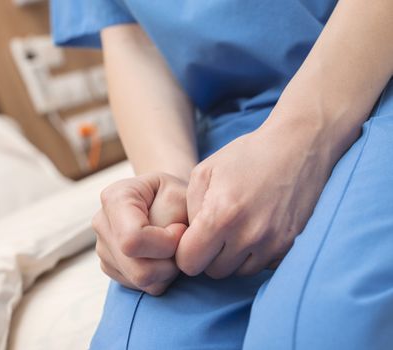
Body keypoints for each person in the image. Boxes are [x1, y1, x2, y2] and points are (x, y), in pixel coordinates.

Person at [51, 1, 393, 348]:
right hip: (233, 125)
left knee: (318, 330)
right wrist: (171, 190)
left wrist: (300, 139)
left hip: (374, 69)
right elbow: (134, 38)